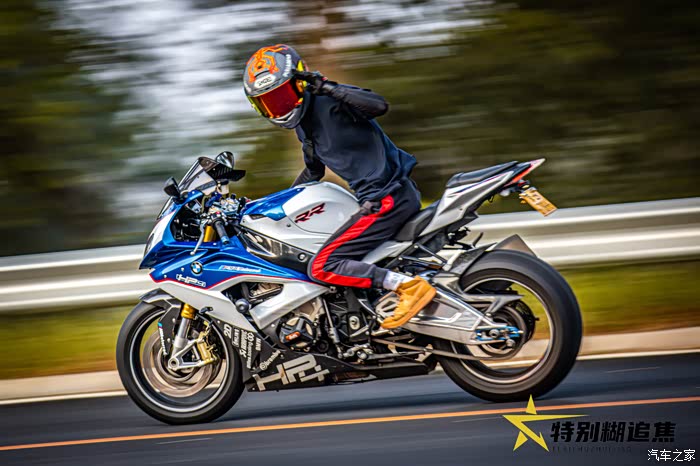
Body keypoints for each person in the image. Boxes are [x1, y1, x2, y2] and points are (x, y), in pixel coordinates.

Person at [243, 44, 435, 329]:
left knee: (322, 266)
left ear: (299, 82)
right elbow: (313, 171)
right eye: (270, 103)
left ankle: (407, 287)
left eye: (282, 97)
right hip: (381, 198)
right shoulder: (304, 125)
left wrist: (327, 86)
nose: (279, 108)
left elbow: (378, 105)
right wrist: (269, 204)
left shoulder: (329, 100)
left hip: (387, 197)